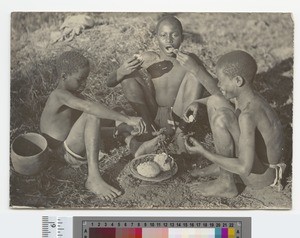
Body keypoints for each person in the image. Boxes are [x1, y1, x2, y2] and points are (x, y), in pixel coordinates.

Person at [40, 51, 146, 200]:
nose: (84, 84)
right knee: (93, 114)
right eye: (80, 80)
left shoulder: (75, 95)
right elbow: (90, 111)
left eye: (86, 79)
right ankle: (94, 178)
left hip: (74, 143)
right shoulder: (58, 95)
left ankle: (132, 143)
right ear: (64, 77)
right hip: (64, 152)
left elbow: (88, 132)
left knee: (114, 111)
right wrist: (127, 119)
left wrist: (117, 129)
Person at [107, 15, 219, 153]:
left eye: (174, 35)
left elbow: (217, 92)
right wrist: (121, 71)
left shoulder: (190, 60)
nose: (169, 40)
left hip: (179, 115)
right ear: (156, 38)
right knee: (128, 76)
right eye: (163, 35)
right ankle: (148, 128)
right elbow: (109, 82)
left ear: (182, 38)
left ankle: (179, 134)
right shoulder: (149, 58)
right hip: (153, 113)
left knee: (194, 75)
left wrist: (195, 68)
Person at [183, 50, 285, 198]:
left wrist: (203, 151)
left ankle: (226, 183)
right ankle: (223, 168)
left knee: (221, 119)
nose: (218, 84)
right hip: (257, 162)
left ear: (238, 81)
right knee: (214, 101)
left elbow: (244, 167)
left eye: (221, 80)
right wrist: (197, 102)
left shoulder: (248, 115)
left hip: (261, 176)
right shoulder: (248, 97)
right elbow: (217, 95)